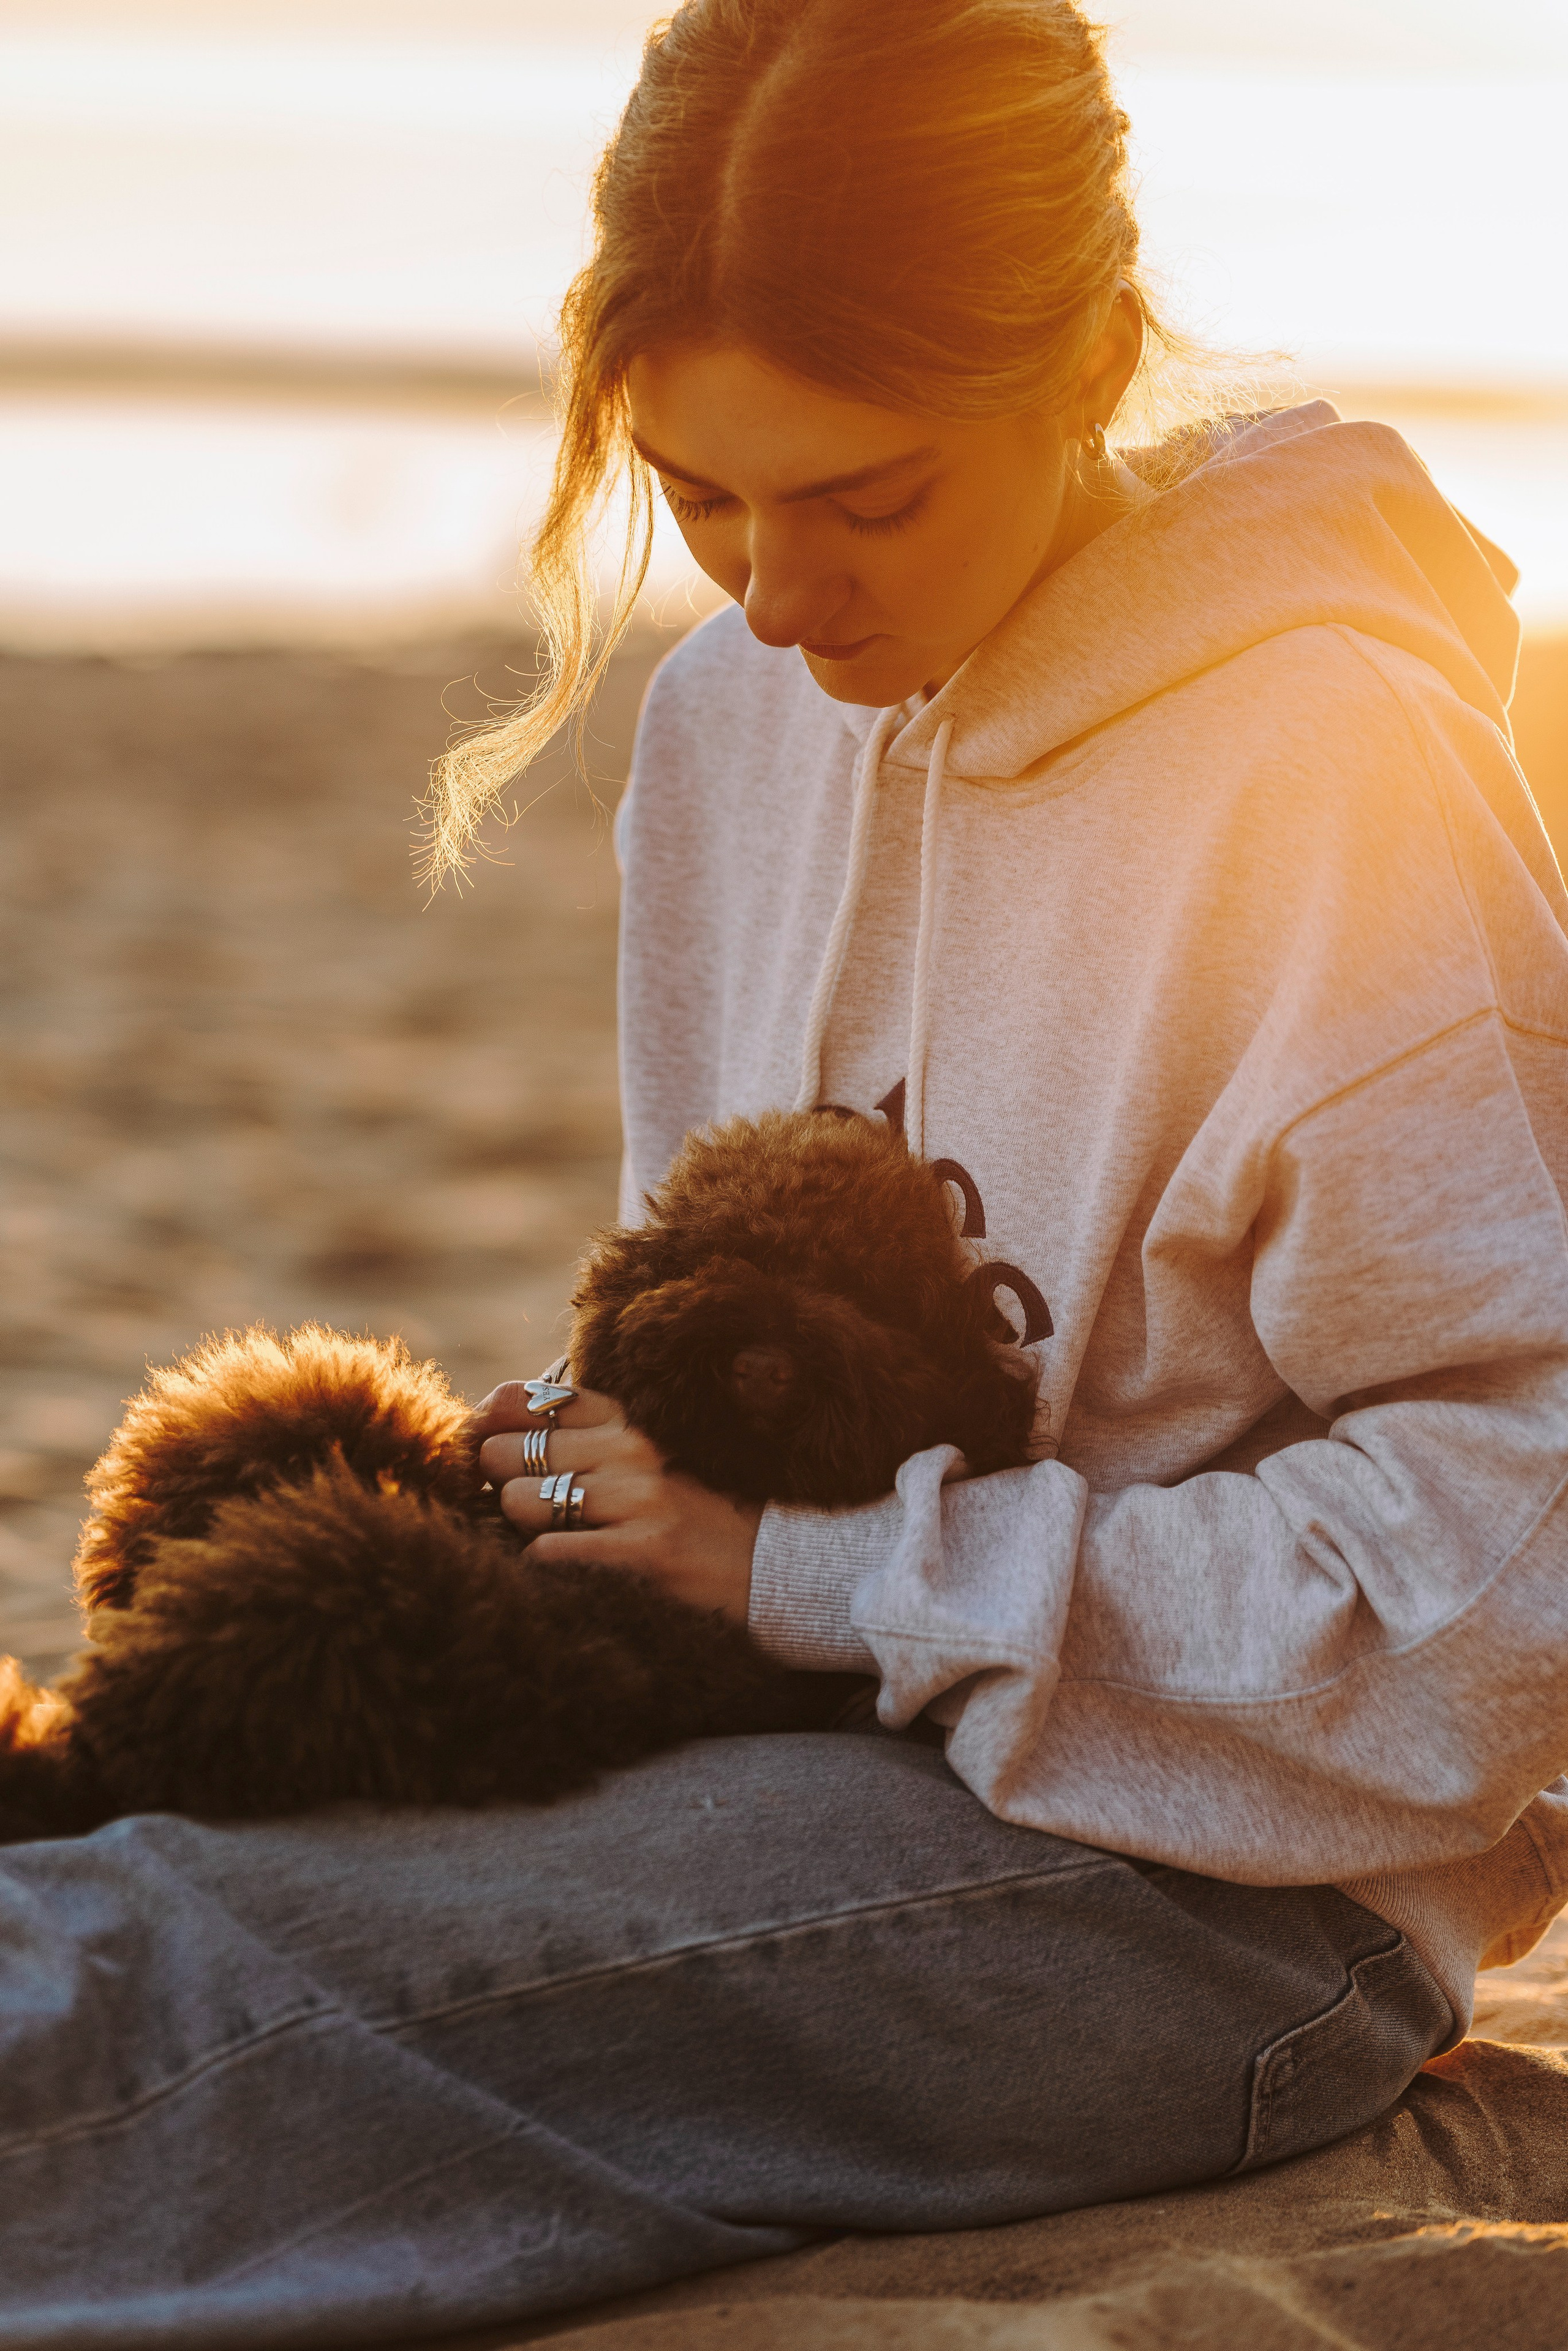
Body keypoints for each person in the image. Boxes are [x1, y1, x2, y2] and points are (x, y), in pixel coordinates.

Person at [4, 1, 1566, 2342]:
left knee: (133, 1990)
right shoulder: (736, 723)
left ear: (1091, 364)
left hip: (1211, 1894)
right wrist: (594, 1493)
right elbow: (733, 1361)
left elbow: (1518, 1562)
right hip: (776, 1735)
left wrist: (834, 1572)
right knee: (122, 1860)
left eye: (868, 494)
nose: (770, 592)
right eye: (699, 490)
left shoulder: (1328, 779)